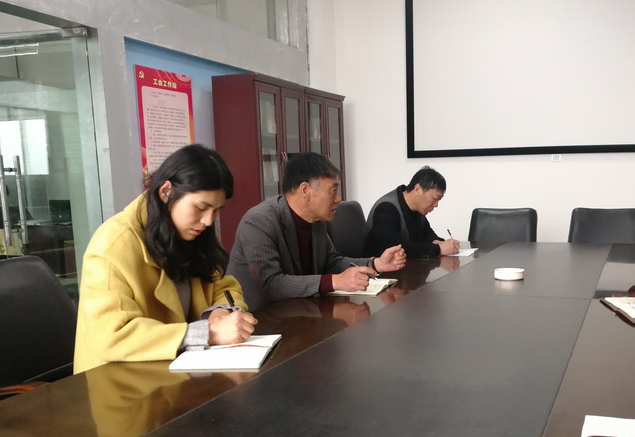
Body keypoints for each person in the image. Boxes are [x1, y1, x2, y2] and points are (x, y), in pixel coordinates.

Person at [74, 144, 257, 373]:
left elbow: (223, 285)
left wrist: (219, 312)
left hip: (177, 371)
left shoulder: (190, 232)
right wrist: (206, 333)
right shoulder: (112, 244)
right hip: (118, 379)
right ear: (166, 191)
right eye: (201, 207)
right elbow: (111, 335)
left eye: (216, 210)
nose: (208, 221)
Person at [228, 152, 406, 309]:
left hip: (298, 312)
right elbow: (271, 284)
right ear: (305, 190)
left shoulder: (315, 220)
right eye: (333, 190)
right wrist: (335, 281)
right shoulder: (259, 221)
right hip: (258, 320)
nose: (338, 198)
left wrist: (375, 264)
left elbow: (331, 262)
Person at [361, 166, 460, 258]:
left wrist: (439, 242)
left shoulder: (417, 208)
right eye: (435, 199)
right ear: (418, 189)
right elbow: (393, 248)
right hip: (377, 270)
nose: (436, 205)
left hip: (405, 266)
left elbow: (428, 234)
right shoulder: (386, 208)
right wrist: (438, 249)